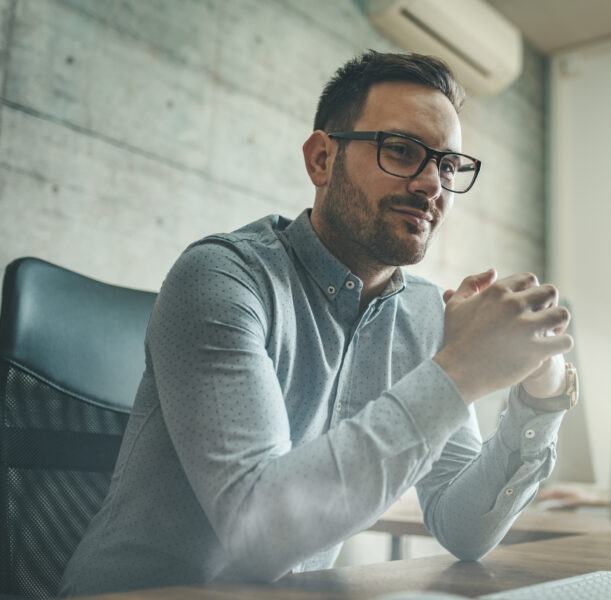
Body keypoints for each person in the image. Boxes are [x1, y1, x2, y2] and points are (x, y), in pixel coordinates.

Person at [59, 50, 577, 596]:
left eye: (448, 166)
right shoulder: (219, 277)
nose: (433, 185)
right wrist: (462, 369)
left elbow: (463, 527)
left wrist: (540, 397)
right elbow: (259, 535)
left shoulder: (426, 314)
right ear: (321, 160)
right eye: (401, 150)